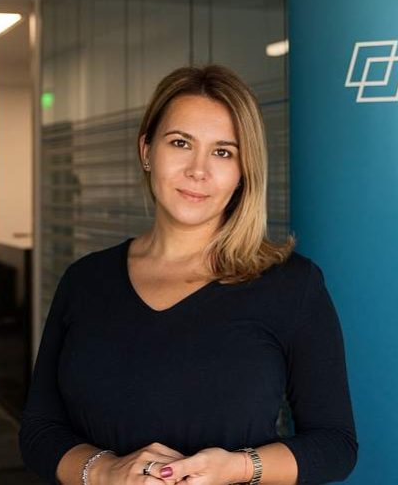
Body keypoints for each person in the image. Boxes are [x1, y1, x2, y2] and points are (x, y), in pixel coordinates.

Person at [19, 65, 357, 484]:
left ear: (244, 171)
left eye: (223, 152)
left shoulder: (292, 285)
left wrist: (236, 467)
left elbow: (335, 445)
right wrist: (105, 471)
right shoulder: (85, 281)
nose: (199, 169)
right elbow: (40, 431)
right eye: (181, 143)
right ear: (146, 150)